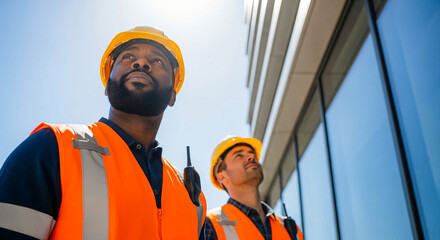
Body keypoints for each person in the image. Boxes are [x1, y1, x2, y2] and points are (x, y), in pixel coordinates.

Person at [0, 26, 206, 240]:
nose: (141, 63)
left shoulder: (191, 197)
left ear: (173, 95)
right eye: (128, 56)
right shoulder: (52, 147)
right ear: (107, 85)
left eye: (157, 61)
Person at [204, 136, 303, 240]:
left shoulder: (290, 229)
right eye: (238, 155)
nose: (251, 157)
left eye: (252, 154)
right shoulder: (211, 223)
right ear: (222, 177)